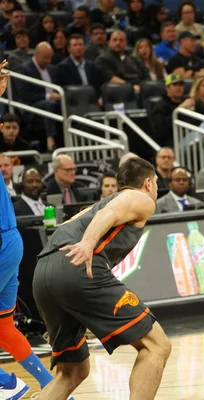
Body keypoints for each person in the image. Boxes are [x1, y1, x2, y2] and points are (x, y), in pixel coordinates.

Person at [32, 157, 172, 399]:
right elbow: (108, 214)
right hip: (77, 265)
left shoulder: (95, 205)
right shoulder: (141, 199)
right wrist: (87, 243)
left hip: (43, 272)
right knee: (156, 345)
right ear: (148, 183)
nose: (157, 189)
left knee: (73, 371)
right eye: (157, 183)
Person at [0, 61, 62, 400]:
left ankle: (6, 383)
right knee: (4, 326)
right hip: (11, 243)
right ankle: (52, 386)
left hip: (0, 241)